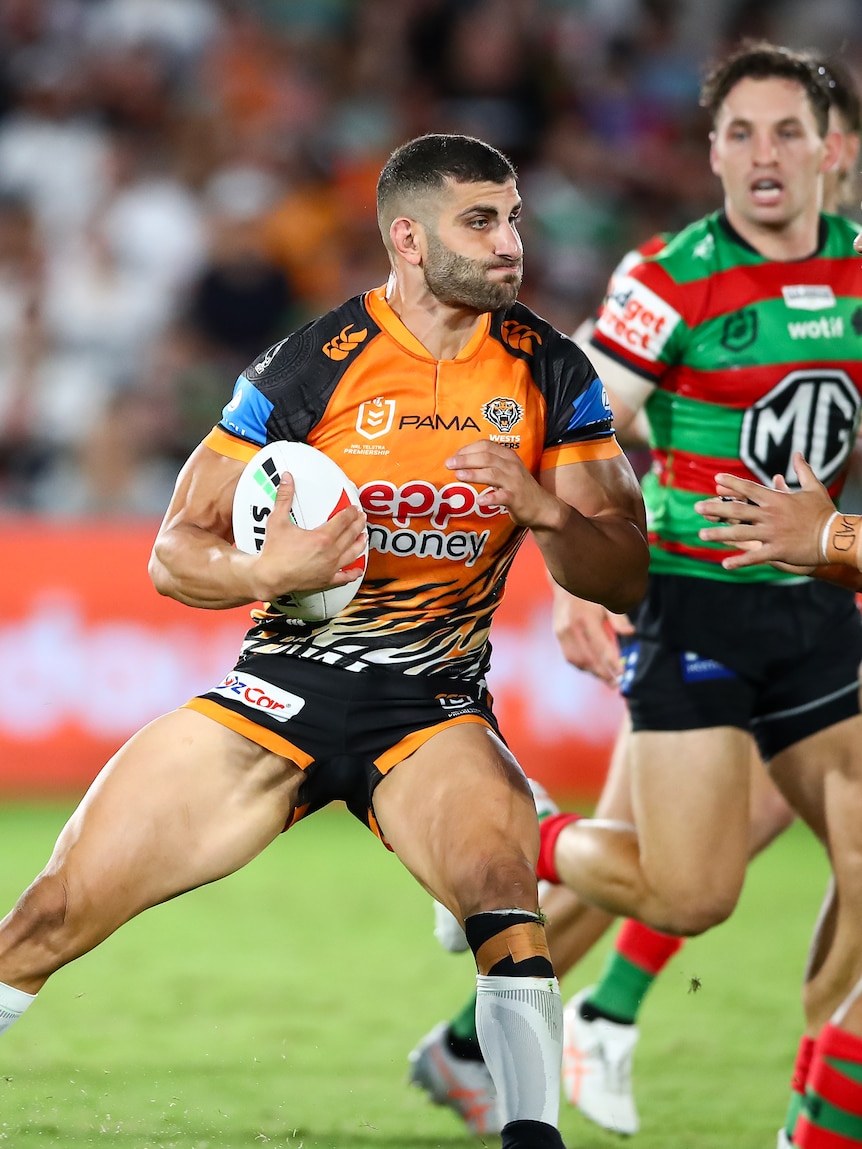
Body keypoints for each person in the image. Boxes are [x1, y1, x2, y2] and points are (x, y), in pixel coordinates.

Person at [0, 133, 649, 1149]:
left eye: (514, 218)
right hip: (277, 696)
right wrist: (269, 573)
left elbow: (625, 572)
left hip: (430, 713)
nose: (510, 243)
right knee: (45, 919)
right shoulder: (313, 364)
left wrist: (547, 513)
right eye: (481, 221)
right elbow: (174, 553)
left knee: (503, 904)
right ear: (409, 237)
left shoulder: (550, 371)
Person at [408, 47, 862, 1142]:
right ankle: (526, 845)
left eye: (787, 132)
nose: (764, 153)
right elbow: (580, 422)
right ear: (712, 153)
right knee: (689, 890)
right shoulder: (670, 279)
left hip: (819, 609)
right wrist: (575, 568)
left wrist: (832, 541)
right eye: (741, 133)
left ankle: (809, 1116)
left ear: (830, 151)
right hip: (696, 605)